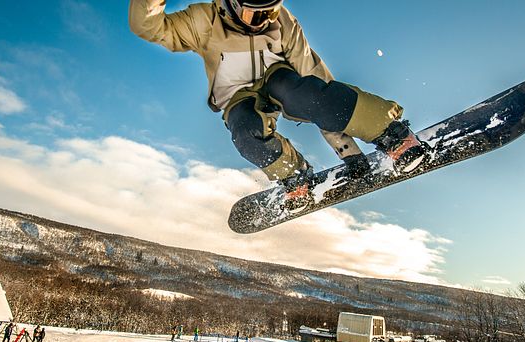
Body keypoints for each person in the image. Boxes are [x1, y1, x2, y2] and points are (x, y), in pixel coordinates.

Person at [129, 0, 426, 207]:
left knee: (304, 92)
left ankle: (390, 132)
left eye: (270, 13)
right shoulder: (202, 21)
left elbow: (317, 82)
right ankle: (294, 175)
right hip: (237, 93)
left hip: (277, 80)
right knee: (246, 131)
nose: (264, 23)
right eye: (255, 16)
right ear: (232, 5)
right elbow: (150, 27)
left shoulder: (283, 22)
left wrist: (348, 151)